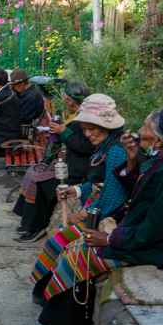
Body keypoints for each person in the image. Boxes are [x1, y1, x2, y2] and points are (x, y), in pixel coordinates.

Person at [33, 107, 163, 325]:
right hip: (143, 233)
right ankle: (52, 308)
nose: (138, 131)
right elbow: (140, 192)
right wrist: (133, 158)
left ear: (157, 139)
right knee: (74, 244)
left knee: (82, 255)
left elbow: (156, 227)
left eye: (144, 126)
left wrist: (111, 239)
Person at [29, 93, 129, 283]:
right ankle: (44, 286)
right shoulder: (106, 147)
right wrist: (76, 191)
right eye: (85, 129)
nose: (87, 134)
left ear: (106, 126)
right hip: (97, 214)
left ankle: (51, 291)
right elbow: (99, 183)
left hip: (106, 223)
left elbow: (112, 197)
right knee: (56, 240)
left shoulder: (117, 152)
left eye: (92, 129)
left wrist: (82, 216)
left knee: (60, 244)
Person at [13, 82, 95, 242]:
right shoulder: (76, 116)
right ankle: (27, 220)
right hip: (71, 163)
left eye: (67, 98)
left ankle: (37, 227)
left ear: (73, 100)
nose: (65, 100)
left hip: (79, 171)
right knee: (33, 172)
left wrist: (63, 131)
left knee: (41, 183)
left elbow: (84, 147)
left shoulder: (86, 120)